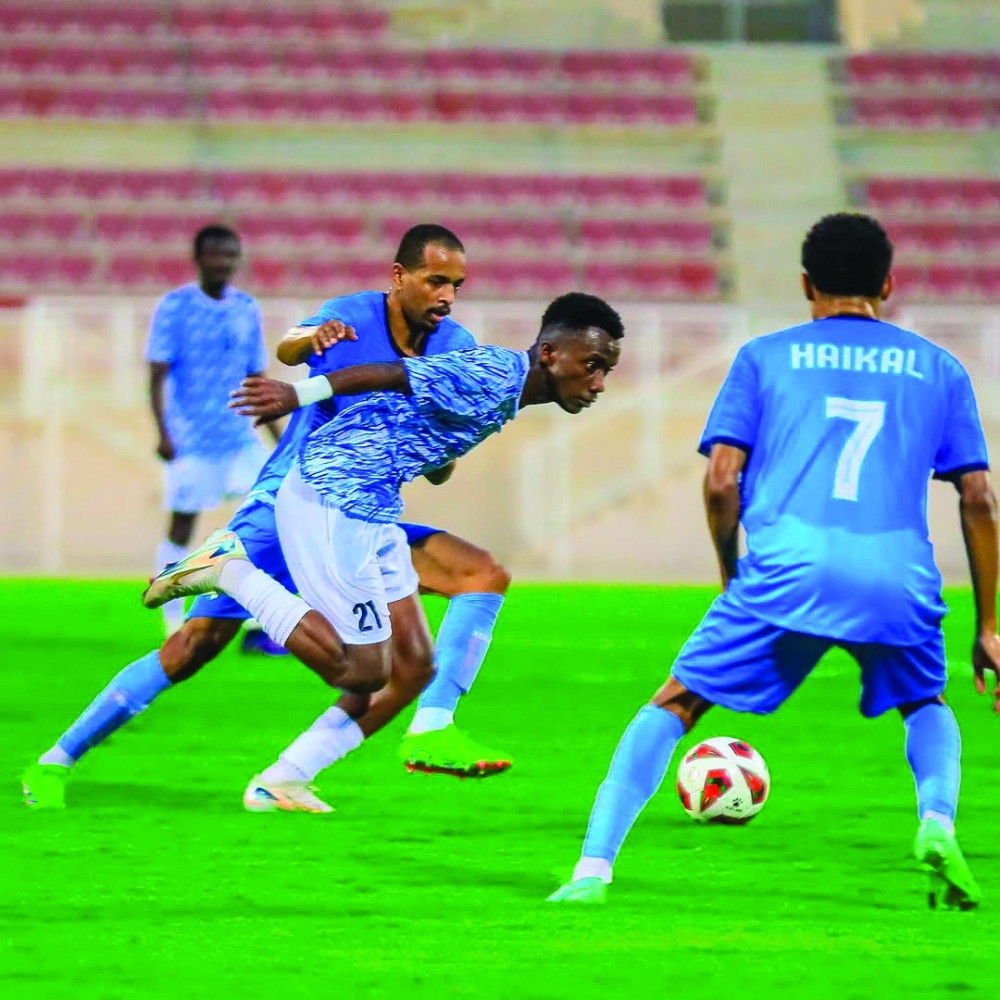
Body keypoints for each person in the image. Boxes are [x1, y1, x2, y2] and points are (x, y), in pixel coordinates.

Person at [548, 213, 999, 911]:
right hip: (898, 576)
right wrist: (988, 626)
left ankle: (591, 871)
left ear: (805, 283)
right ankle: (937, 822)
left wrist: (733, 579)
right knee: (925, 702)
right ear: (888, 282)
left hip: (788, 567)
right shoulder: (939, 367)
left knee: (676, 702)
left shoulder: (765, 357)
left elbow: (721, 480)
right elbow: (979, 497)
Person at [21, 225, 515, 811]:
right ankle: (56, 760)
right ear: (399, 277)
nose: (447, 295)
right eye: (436, 280)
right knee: (193, 648)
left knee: (456, 601)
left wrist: (445, 443)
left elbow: (441, 459)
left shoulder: (455, 346)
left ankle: (287, 777)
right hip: (291, 503)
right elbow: (291, 346)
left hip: (364, 516)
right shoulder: (351, 316)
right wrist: (309, 340)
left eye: (456, 284)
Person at [143, 289, 624, 814]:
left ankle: (287, 779)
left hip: (374, 503)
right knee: (362, 672)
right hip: (333, 494)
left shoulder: (506, 388)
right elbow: (393, 372)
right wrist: (297, 395)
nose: (598, 383)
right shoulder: (497, 375)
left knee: (423, 652)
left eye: (607, 371)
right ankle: (230, 572)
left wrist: (438, 454)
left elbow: (420, 416)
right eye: (593, 365)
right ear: (551, 354)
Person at [147, 224, 280, 644]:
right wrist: (163, 432)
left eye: (231, 255)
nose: (224, 263)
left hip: (239, 435)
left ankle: (258, 616)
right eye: (217, 255)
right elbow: (155, 374)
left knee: (272, 515)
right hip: (191, 438)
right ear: (199, 258)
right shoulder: (175, 307)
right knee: (182, 527)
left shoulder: (246, 309)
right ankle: (172, 622)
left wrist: (279, 434)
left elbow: (257, 375)